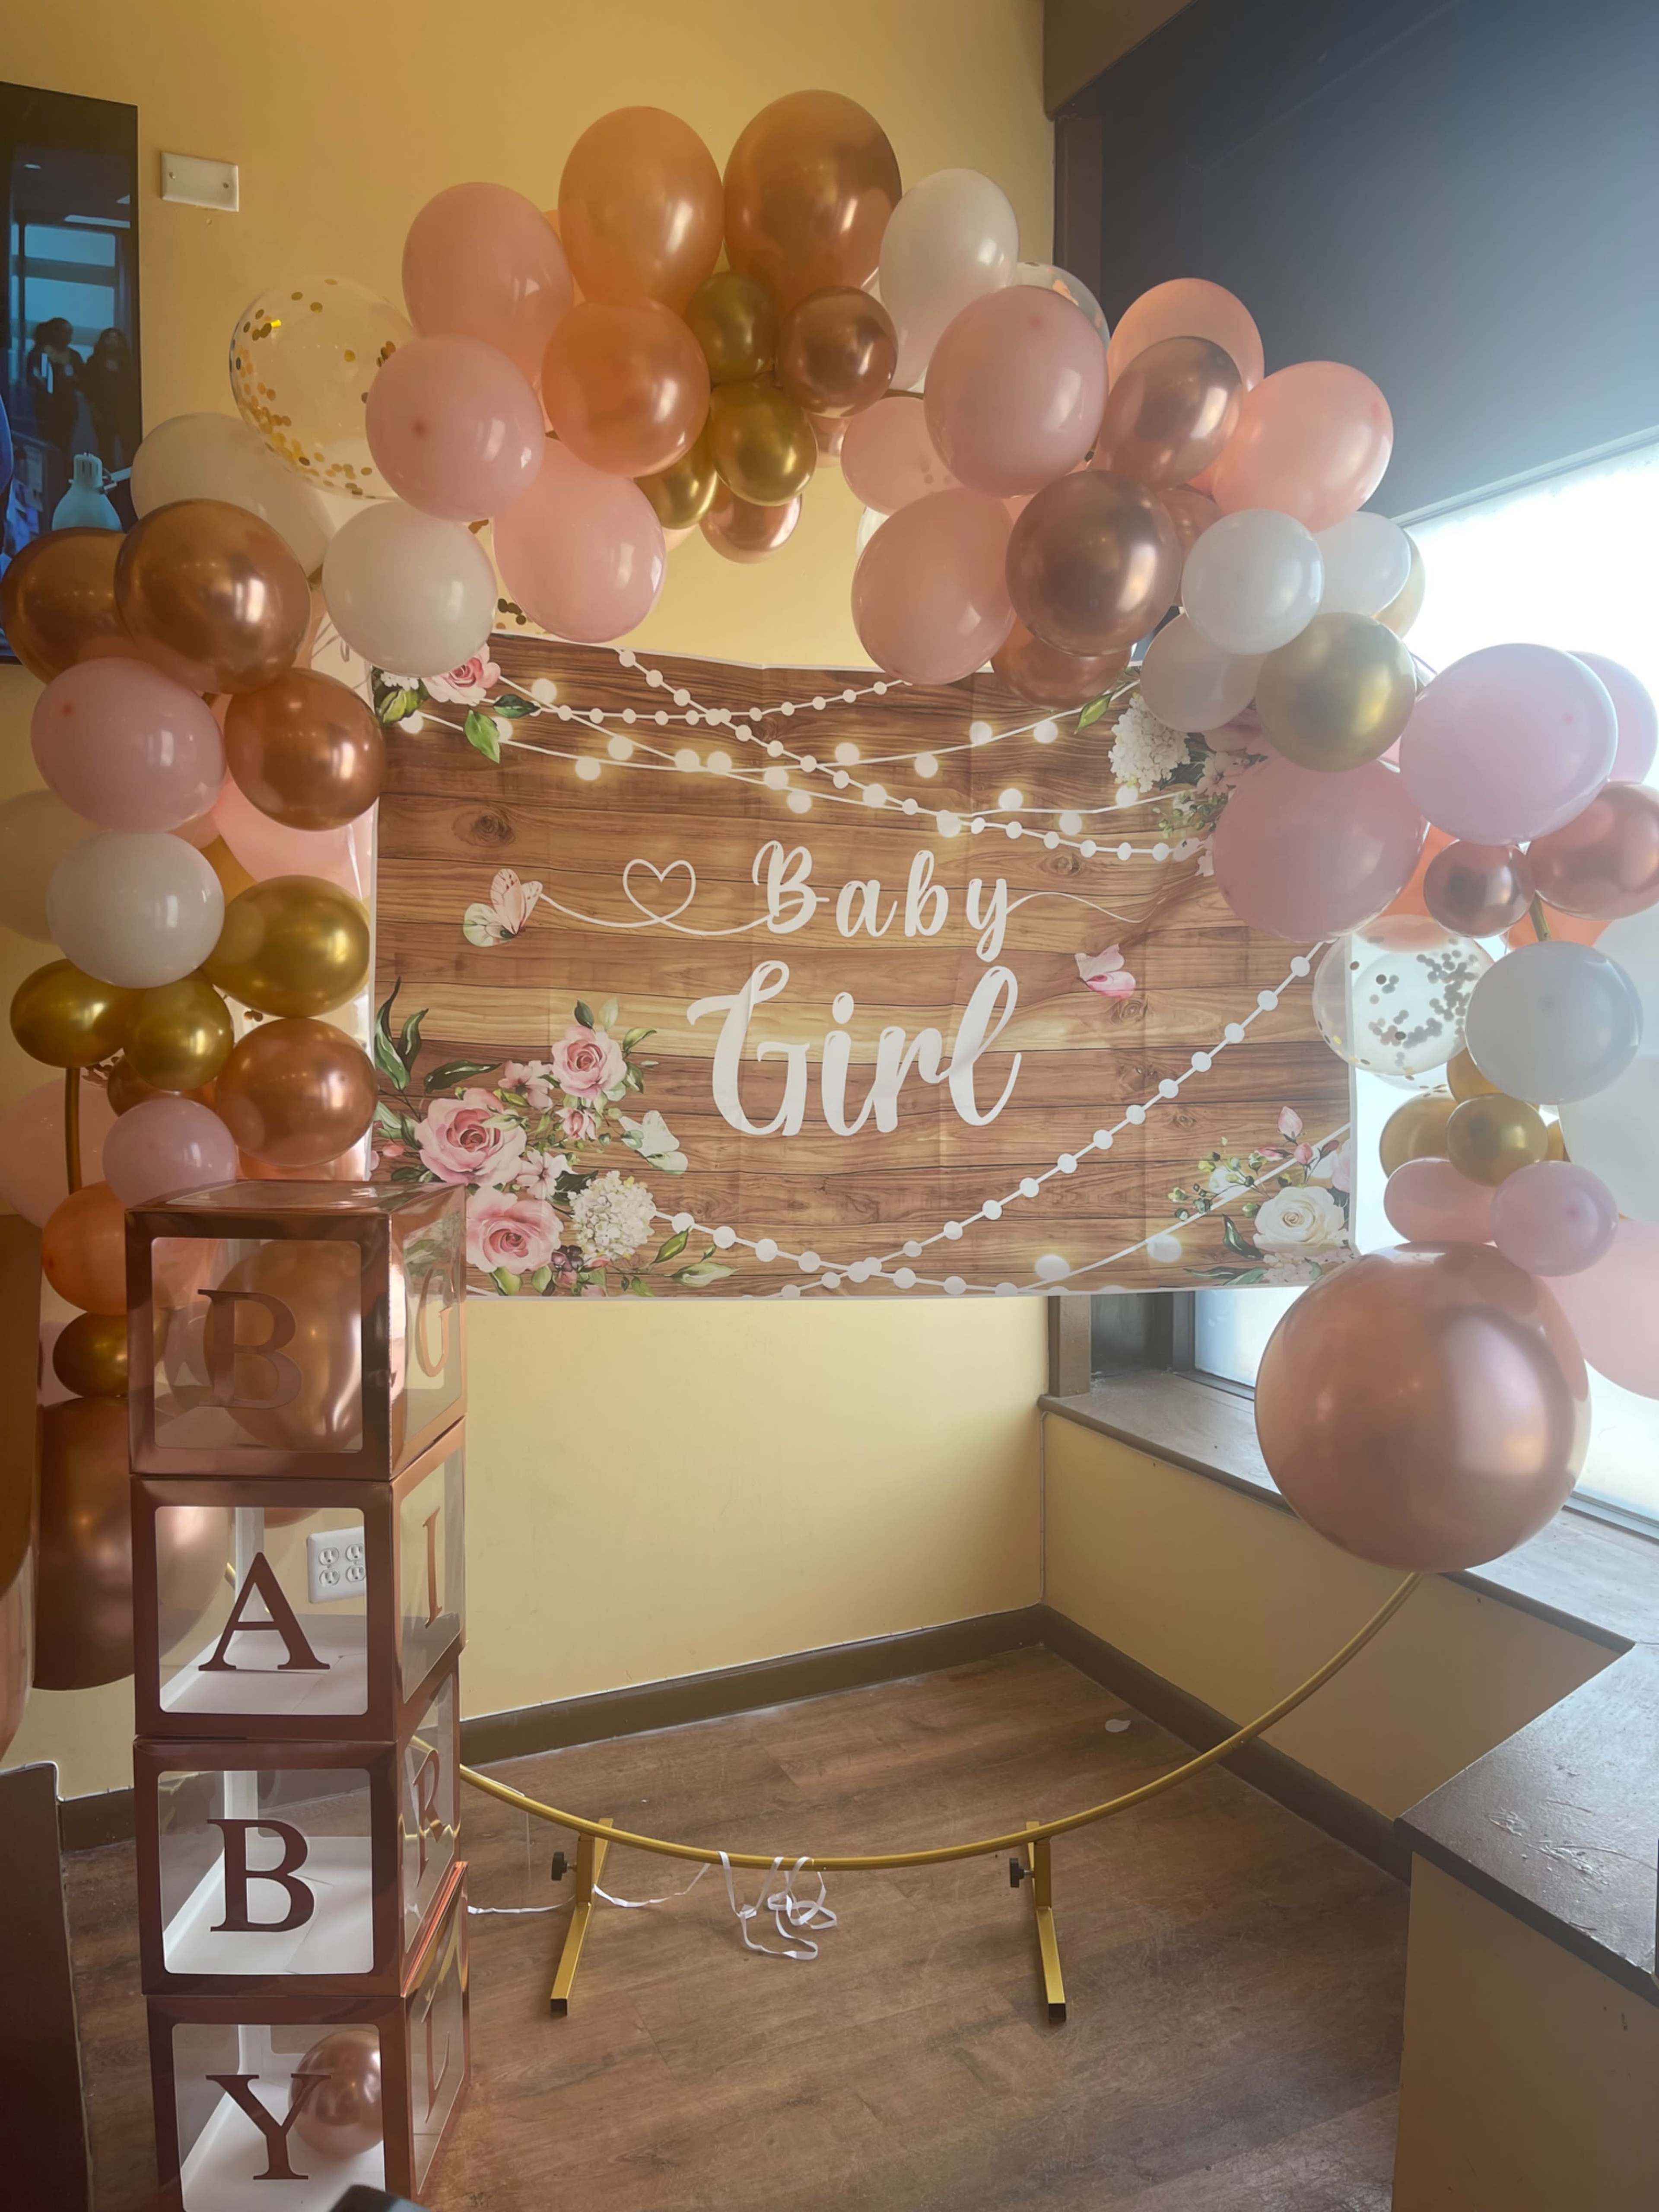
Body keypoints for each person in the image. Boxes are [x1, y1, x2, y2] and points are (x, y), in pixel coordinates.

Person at [23, 318, 82, 472]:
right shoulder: (39, 353)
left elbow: (84, 380)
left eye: (70, 333)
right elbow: (34, 380)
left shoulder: (74, 355)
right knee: (48, 444)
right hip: (46, 408)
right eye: (65, 332)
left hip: (68, 408)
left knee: (65, 446)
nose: (69, 337)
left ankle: (61, 478)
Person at [85, 327, 141, 472]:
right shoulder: (94, 362)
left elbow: (134, 387)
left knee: (129, 448)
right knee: (105, 449)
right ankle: (109, 481)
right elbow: (89, 389)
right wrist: (94, 409)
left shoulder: (129, 363)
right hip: (103, 412)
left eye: (116, 338)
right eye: (109, 338)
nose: (112, 341)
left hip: (127, 412)